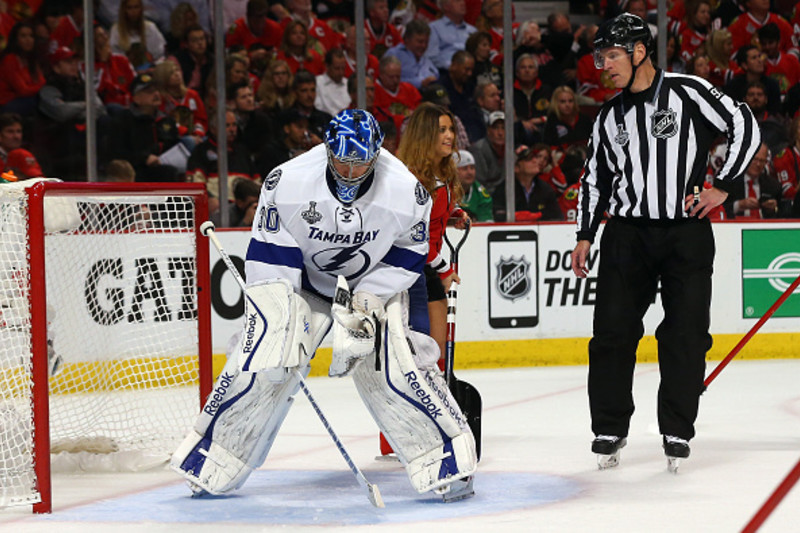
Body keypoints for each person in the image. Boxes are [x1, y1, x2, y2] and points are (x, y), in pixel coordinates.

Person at [170, 108, 477, 502]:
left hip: (372, 285)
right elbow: (270, 255)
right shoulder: (287, 181)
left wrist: (368, 299)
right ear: (326, 150)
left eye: (360, 163)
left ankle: (447, 460)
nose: (349, 172)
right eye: (341, 162)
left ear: (377, 156)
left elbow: (408, 253)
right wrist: (279, 319)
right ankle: (214, 457)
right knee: (265, 358)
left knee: (393, 366)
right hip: (303, 283)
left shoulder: (406, 190)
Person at [570, 14, 760, 470]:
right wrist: (584, 235)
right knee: (612, 334)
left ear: (639, 51)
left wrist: (723, 186)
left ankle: (677, 428)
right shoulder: (609, 115)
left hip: (685, 233)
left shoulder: (686, 90)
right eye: (602, 56)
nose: (605, 65)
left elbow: (744, 123)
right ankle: (609, 427)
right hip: (626, 235)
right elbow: (594, 178)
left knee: (686, 334)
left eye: (613, 54)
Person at [397, 102, 468, 366]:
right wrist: (445, 269)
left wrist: (453, 214)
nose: (450, 136)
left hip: (427, 267)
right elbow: (413, 236)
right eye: (441, 130)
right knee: (426, 353)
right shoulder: (412, 180)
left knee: (435, 354)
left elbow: (431, 217)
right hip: (411, 272)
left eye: (451, 129)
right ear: (425, 135)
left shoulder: (443, 174)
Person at [492, 145, 564, 222]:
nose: (535, 161)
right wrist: (518, 216)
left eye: (535, 157)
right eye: (528, 159)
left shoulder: (546, 189)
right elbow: (497, 216)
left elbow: (558, 218)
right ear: (516, 167)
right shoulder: (503, 190)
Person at [723, 143, 785, 219]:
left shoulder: (773, 186)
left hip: (764, 228)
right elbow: (718, 209)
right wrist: (739, 205)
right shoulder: (729, 182)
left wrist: (773, 209)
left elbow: (784, 214)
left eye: (762, 161)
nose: (758, 164)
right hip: (735, 227)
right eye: (755, 159)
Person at [0, 21, 46, 115]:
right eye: (23, 36)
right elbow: (22, 90)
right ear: (16, 39)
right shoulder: (10, 59)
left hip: (26, 99)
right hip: (8, 103)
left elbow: (42, 81)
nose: (28, 40)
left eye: (31, 36)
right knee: (40, 101)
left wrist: (34, 88)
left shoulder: (31, 59)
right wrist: (38, 88)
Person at [384, 18, 440, 90]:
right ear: (407, 39)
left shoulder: (426, 59)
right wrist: (420, 83)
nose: (424, 46)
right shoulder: (394, 55)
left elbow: (436, 75)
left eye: (426, 42)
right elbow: (388, 81)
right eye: (420, 41)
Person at [110, 0, 167, 65]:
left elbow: (160, 55)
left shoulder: (150, 28)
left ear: (141, 9)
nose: (133, 11)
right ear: (123, 10)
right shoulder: (116, 31)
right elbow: (115, 58)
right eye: (129, 8)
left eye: (136, 7)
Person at [425, 0, 477, 71]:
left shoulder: (473, 31)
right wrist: (454, 67)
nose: (462, 3)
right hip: (446, 72)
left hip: (471, 72)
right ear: (446, 6)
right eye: (457, 1)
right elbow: (432, 56)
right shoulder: (434, 28)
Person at [454, 149, 492, 221]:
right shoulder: (444, 191)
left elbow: (486, 221)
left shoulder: (481, 193)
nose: (470, 172)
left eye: (472, 168)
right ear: (453, 171)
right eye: (465, 168)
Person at [314, 48, 350, 117]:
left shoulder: (348, 83)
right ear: (327, 66)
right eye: (337, 68)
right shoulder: (317, 83)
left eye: (343, 68)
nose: (341, 72)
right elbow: (317, 108)